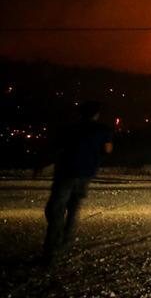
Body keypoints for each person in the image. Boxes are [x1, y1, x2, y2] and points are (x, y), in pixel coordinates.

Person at [43, 101, 113, 265]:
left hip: (65, 173)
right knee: (73, 208)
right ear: (97, 114)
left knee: (56, 210)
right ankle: (65, 240)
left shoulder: (69, 129)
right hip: (85, 173)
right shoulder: (103, 130)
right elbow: (108, 150)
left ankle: (51, 248)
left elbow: (56, 148)